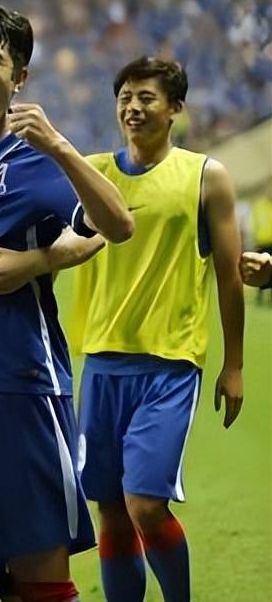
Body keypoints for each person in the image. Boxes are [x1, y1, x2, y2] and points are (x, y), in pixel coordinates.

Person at [0, 0, 134, 602]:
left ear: (18, 77)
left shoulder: (31, 159)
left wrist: (39, 258)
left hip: (20, 391)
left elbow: (113, 225)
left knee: (39, 576)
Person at [70, 56, 245, 602]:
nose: (133, 107)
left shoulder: (206, 176)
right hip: (102, 360)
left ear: (175, 109)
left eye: (146, 97)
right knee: (111, 511)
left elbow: (229, 275)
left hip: (169, 364)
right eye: (125, 97)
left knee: (145, 504)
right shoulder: (94, 172)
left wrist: (234, 365)